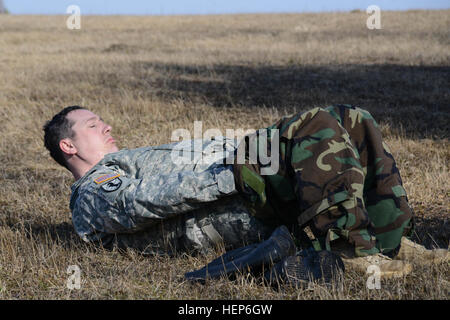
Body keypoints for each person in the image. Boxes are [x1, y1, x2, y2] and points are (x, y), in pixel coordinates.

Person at [43, 104, 447, 281]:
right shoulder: (92, 190)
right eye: (94, 125)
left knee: (351, 120)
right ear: (69, 146)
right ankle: (350, 251)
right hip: (236, 190)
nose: (107, 126)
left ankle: (389, 239)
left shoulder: (128, 157)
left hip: (242, 168)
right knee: (317, 124)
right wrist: (230, 176)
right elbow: (134, 203)